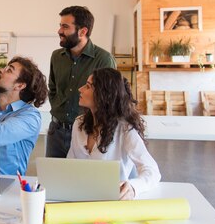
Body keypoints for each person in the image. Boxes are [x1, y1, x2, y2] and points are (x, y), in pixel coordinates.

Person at [67, 68, 161, 200]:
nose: (80, 89)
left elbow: (152, 171)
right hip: (80, 197)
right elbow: (70, 164)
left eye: (88, 86)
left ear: (103, 95)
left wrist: (133, 187)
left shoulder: (125, 129)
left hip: (112, 201)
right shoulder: (79, 124)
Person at [46, 6, 116, 158]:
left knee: (81, 179)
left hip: (87, 132)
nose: (59, 31)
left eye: (65, 26)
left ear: (83, 31)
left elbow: (110, 98)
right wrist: (57, 107)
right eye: (60, 26)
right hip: (56, 131)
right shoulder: (56, 56)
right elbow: (52, 88)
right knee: (52, 179)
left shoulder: (104, 59)